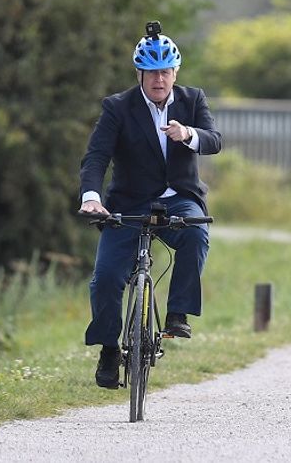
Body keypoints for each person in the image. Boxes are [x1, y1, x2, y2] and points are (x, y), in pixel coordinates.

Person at [79, 21, 222, 389]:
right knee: (107, 279)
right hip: (128, 203)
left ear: (175, 72)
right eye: (151, 73)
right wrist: (92, 197)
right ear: (139, 73)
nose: (159, 80)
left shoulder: (193, 100)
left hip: (179, 199)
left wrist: (188, 134)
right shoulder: (117, 108)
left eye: (166, 72)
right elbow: (96, 157)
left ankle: (177, 313)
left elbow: (214, 140)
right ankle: (109, 349)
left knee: (196, 235)